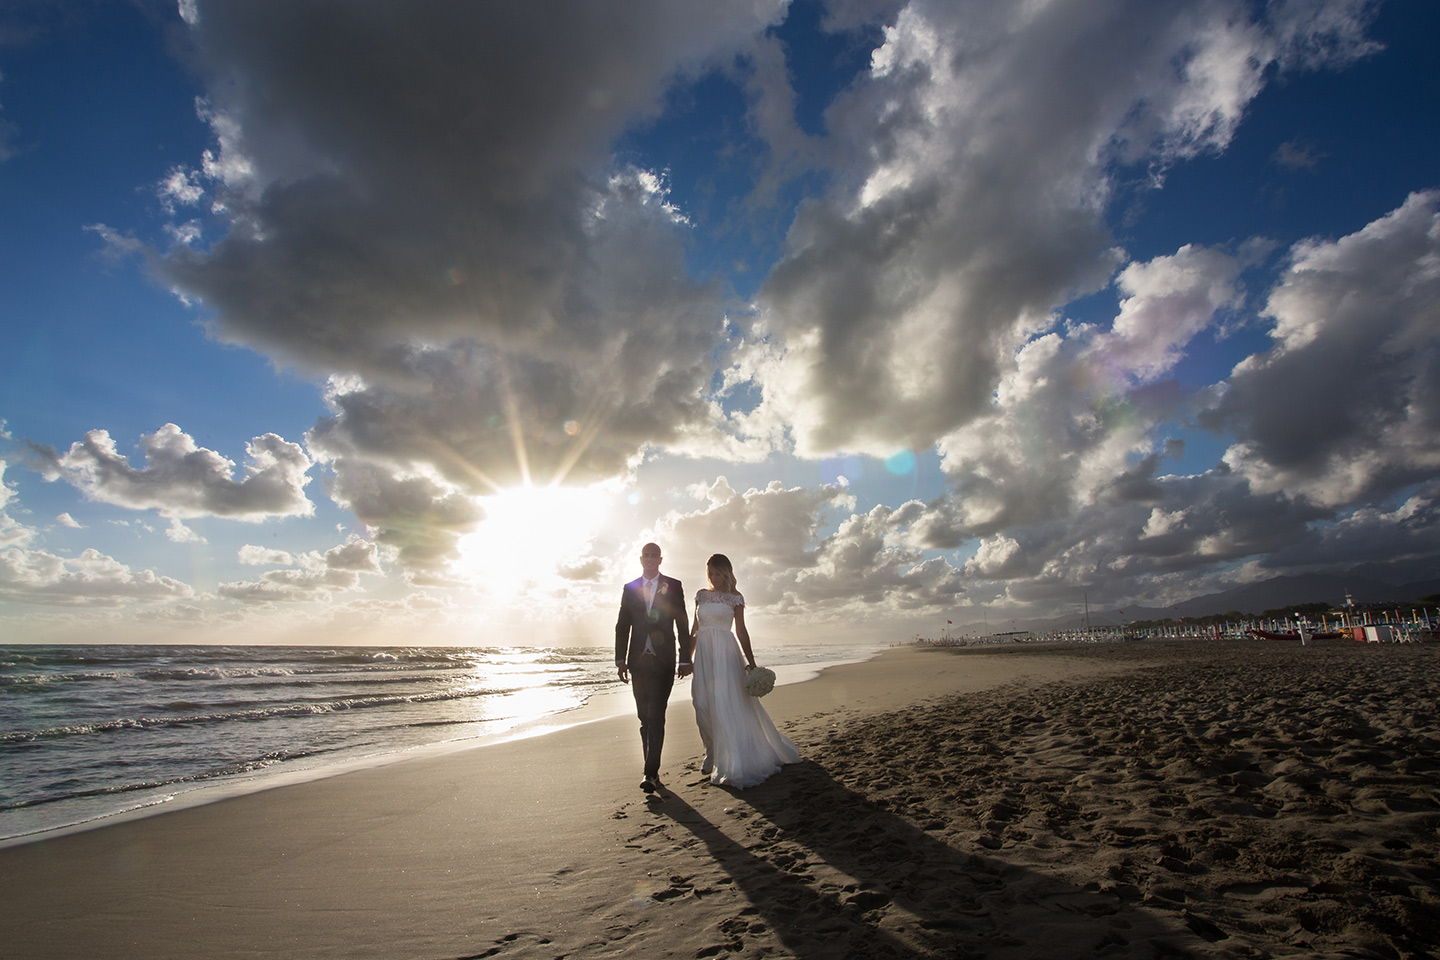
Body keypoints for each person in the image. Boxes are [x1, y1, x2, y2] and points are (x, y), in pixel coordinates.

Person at [689, 553, 799, 788]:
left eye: (718, 573)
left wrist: (751, 662)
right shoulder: (701, 596)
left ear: (727, 573)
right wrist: (686, 659)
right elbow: (694, 629)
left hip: (726, 654)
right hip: (704, 656)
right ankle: (711, 749)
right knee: (701, 703)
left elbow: (741, 631)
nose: (714, 577)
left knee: (724, 703)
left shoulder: (735, 598)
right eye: (710, 572)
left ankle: (722, 755)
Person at [615, 542, 693, 795]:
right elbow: (622, 626)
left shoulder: (674, 585)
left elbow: (682, 621)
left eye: (654, 556)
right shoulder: (630, 588)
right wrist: (620, 659)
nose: (649, 559)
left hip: (664, 660)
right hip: (638, 661)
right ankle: (652, 771)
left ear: (660, 559)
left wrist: (685, 657)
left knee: (657, 714)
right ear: (640, 559)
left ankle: (650, 772)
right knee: (643, 717)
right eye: (645, 555)